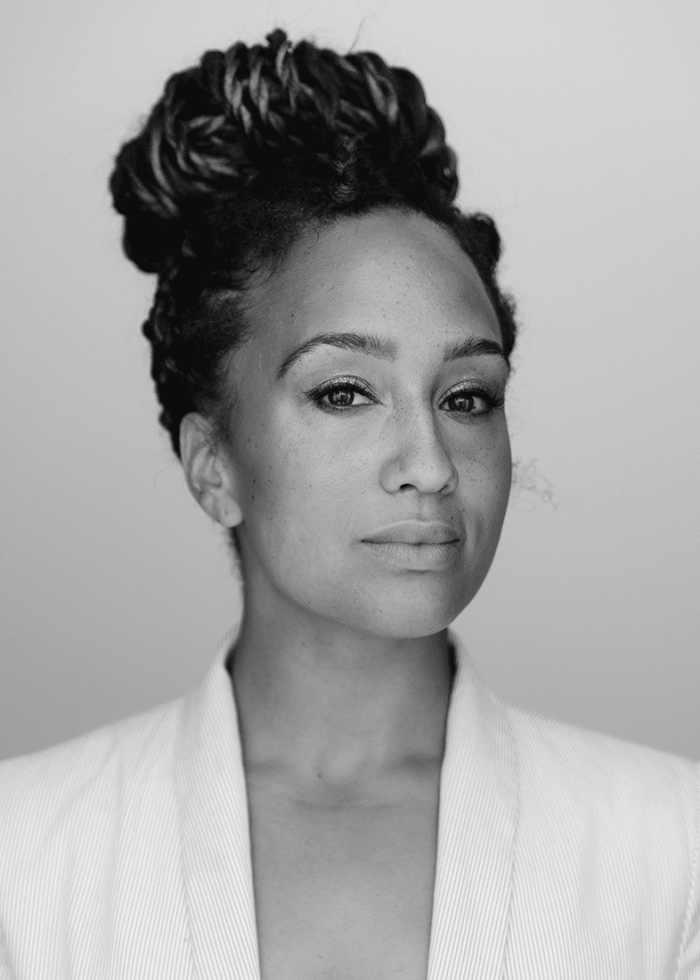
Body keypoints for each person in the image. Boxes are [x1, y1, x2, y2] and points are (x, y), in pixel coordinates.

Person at [0, 28, 698, 980]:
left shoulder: (673, 854)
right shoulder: (26, 859)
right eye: (344, 392)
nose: (432, 464)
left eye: (466, 398)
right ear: (214, 466)